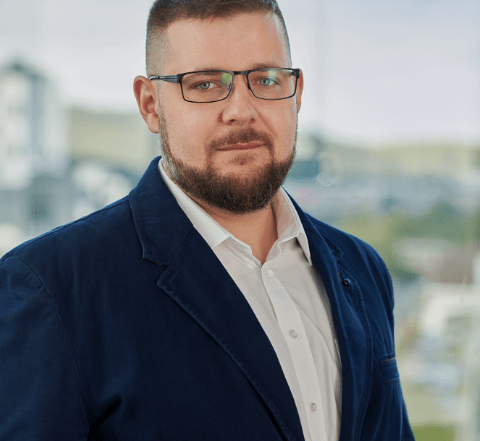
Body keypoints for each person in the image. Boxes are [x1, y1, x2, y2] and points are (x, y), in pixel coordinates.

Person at [0, 0, 416, 440]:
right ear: (150, 105)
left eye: (266, 80)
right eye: (204, 84)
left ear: (296, 93)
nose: (241, 110)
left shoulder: (362, 268)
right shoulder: (50, 287)